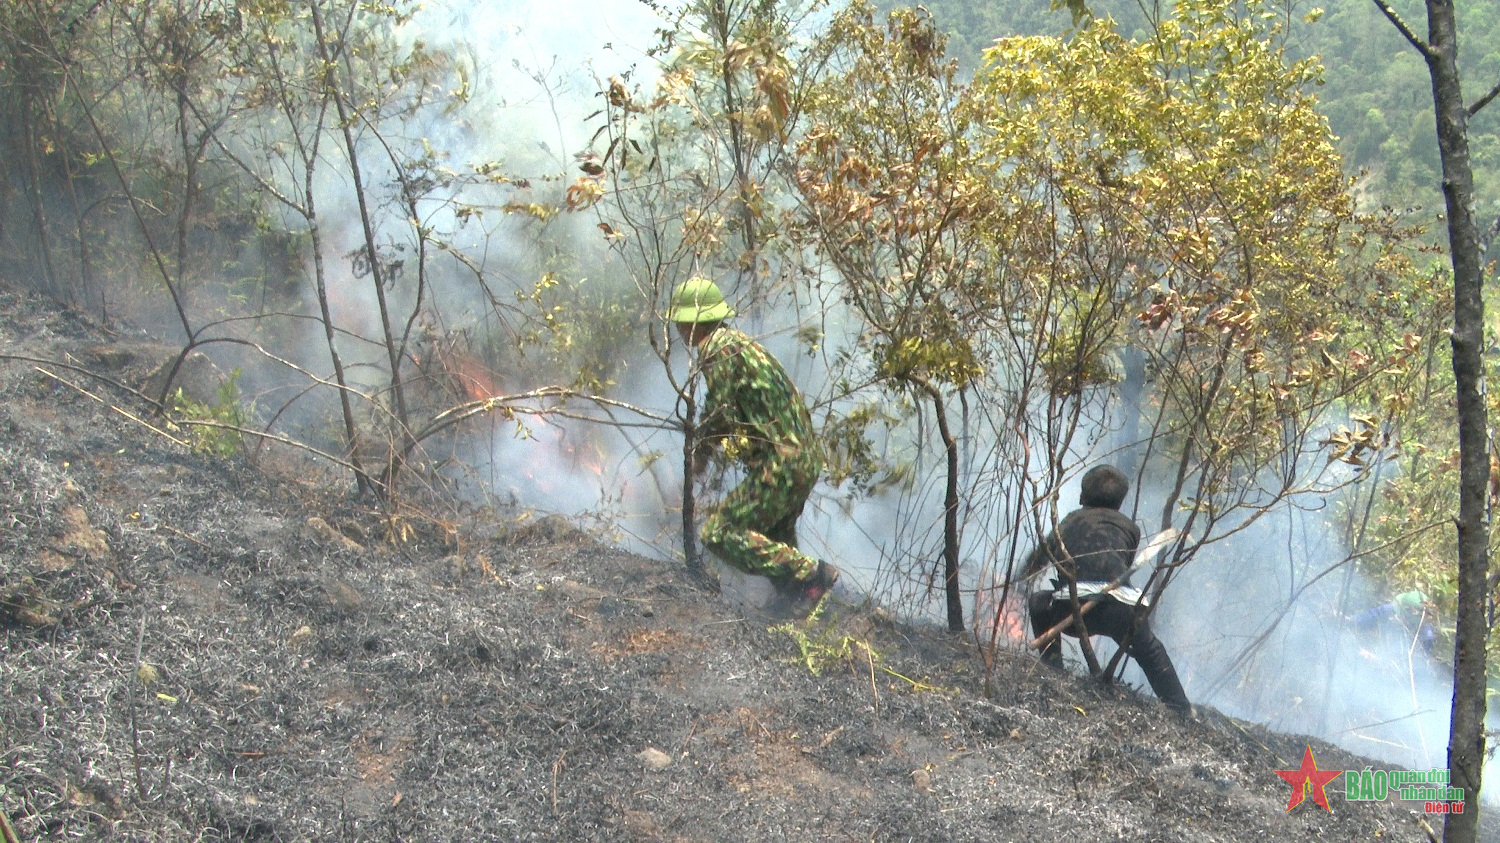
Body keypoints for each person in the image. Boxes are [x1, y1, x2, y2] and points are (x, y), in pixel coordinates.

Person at [667, 277, 839, 613]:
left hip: (782, 461)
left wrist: (700, 454)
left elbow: (720, 411)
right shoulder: (741, 344)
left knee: (719, 532)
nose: (677, 329)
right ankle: (799, 604)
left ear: (692, 322)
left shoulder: (716, 347)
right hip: (803, 458)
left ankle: (814, 572)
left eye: (679, 321)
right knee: (775, 541)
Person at [1023, 464, 1193, 716]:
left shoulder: (1070, 521)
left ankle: (1053, 672)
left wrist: (1021, 577)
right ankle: (1181, 708)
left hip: (1071, 608)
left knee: (1038, 602)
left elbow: (1038, 559)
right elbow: (1120, 564)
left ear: (1082, 497)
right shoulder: (1130, 528)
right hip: (1120, 609)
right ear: (1120, 502)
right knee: (1150, 650)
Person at [1352, 589, 1438, 657]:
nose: (1396, 615)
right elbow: (1377, 613)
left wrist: (1372, 657)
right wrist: (1351, 620)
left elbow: (1407, 663)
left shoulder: (1425, 638)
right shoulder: (1394, 608)